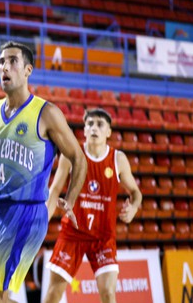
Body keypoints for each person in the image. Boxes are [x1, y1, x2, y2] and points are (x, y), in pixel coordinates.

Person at [0, 41, 87, 303]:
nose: (4, 67)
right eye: (1, 61)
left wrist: (70, 199)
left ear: (28, 70)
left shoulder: (47, 113)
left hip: (26, 214)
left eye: (12, 61)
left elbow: (78, 158)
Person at [43, 108, 142, 303]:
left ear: (108, 132)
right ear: (84, 130)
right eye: (90, 124)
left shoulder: (118, 159)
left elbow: (136, 192)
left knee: (108, 293)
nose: (94, 128)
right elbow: (54, 190)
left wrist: (133, 207)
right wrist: (44, 218)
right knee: (54, 293)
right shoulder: (72, 155)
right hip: (73, 234)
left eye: (99, 124)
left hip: (103, 236)